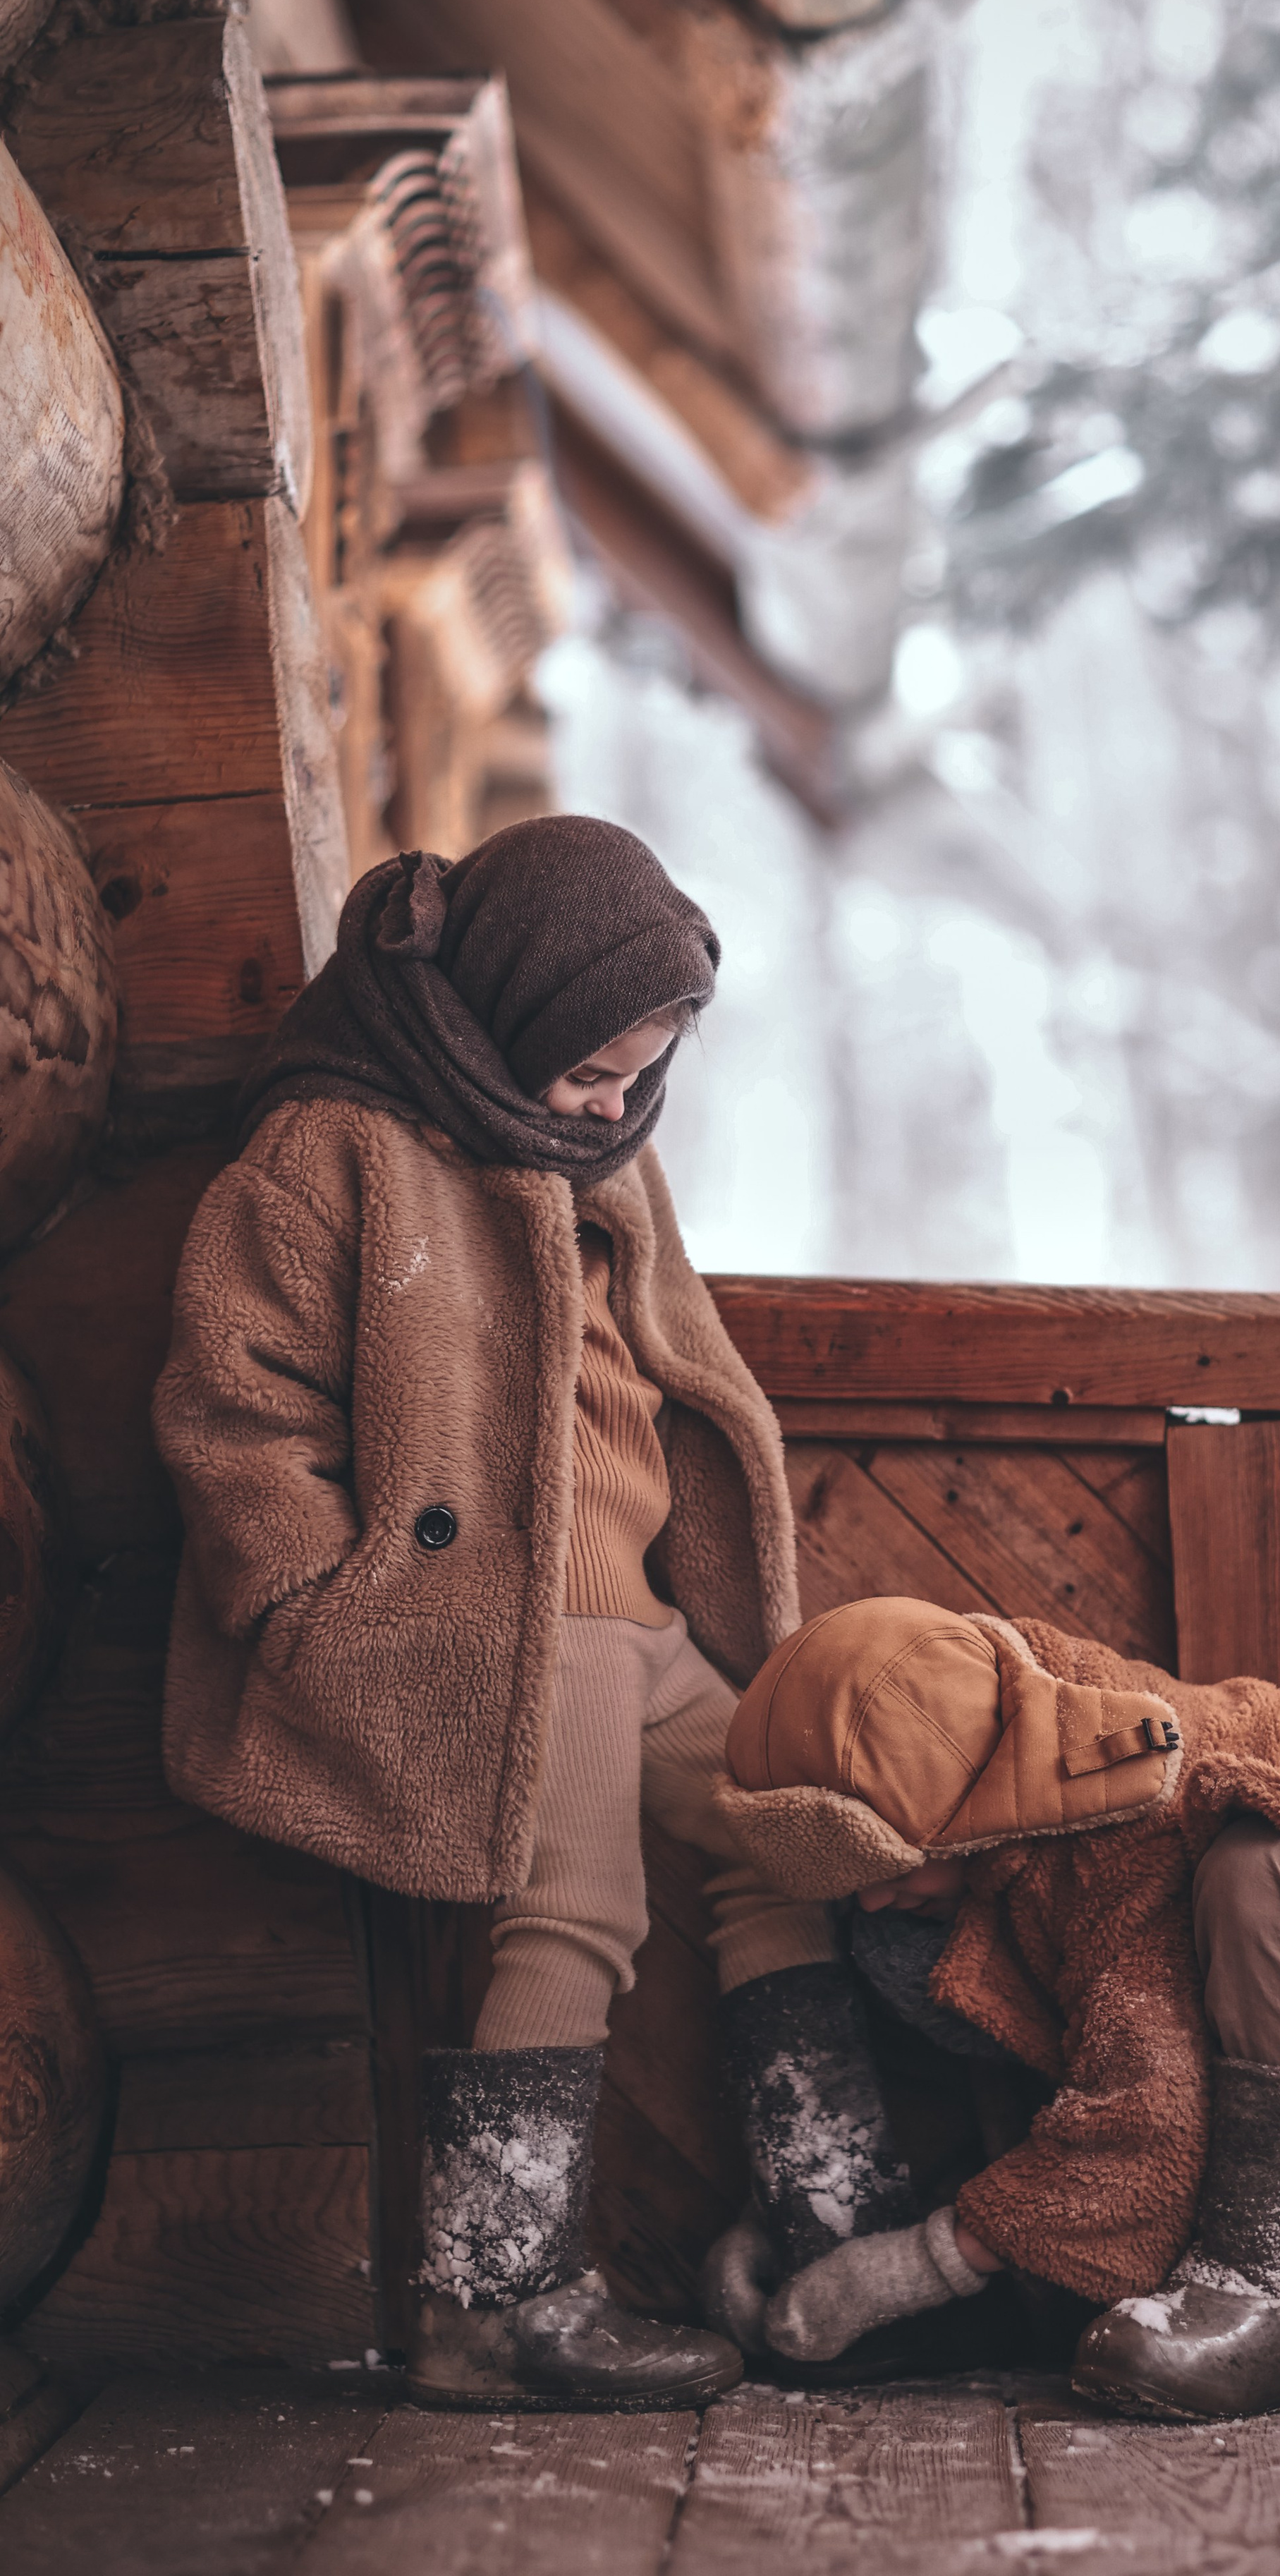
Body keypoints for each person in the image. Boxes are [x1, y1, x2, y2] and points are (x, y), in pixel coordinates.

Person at [151, 820, 915, 2411]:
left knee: (786, 1838)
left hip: (642, 1614)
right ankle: (494, 2298)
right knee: (575, 1912)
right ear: (507, 1000)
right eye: (588, 1070)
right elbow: (233, 1405)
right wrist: (314, 1594)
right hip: (504, 1623)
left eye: (641, 1074)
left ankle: (835, 2216)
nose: (612, 1104)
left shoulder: (603, 1150)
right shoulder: (336, 1146)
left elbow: (660, 1364)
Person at [705, 1596, 1280, 2420]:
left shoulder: (1127, 1821)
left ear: (963, 1801)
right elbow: (1080, 2071)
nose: (873, 1897)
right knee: (951, 1963)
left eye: (891, 1863)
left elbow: (1150, 2119)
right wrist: (807, 2223)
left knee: (1259, 1868)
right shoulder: (1013, 1827)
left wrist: (902, 2271)